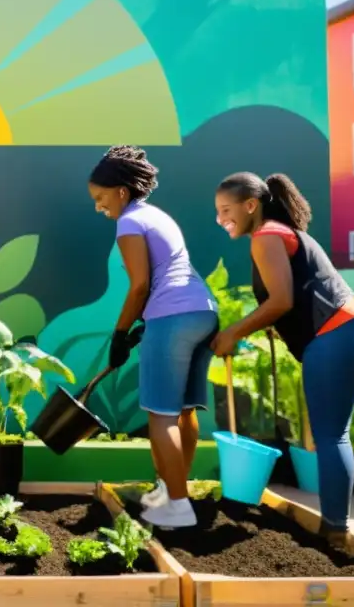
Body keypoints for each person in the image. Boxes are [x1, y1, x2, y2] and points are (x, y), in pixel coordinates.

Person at [212, 171, 354, 540]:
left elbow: (282, 300)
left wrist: (232, 332)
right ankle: (335, 526)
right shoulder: (281, 232)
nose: (221, 219)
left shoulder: (267, 236)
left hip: (336, 334)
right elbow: (295, 295)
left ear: (250, 205)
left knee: (331, 436)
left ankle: (335, 532)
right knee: (336, 434)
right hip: (352, 329)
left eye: (226, 210)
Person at [88, 146, 219, 528]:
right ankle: (171, 489)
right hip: (203, 312)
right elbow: (168, 275)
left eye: (100, 198)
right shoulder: (157, 215)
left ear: (121, 192)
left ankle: (178, 507)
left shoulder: (128, 222)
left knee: (161, 416)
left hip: (173, 315)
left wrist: (120, 332)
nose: (99, 207)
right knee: (184, 411)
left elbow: (141, 284)